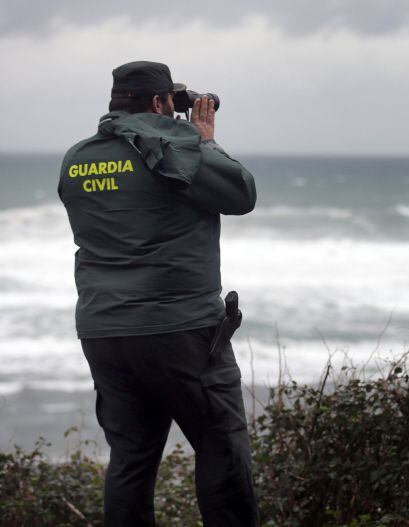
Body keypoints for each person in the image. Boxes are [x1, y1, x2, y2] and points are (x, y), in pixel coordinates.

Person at [58, 61, 258, 526]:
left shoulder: (77, 157)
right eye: (173, 101)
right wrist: (204, 139)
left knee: (130, 459)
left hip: (105, 332)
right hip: (181, 330)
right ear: (158, 102)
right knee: (220, 446)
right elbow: (240, 194)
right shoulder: (179, 147)